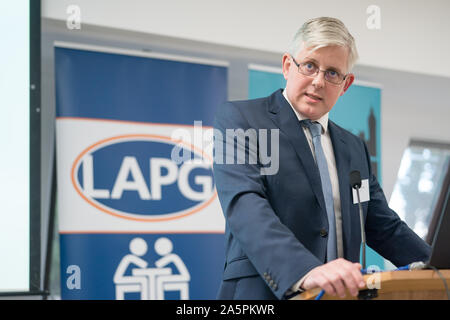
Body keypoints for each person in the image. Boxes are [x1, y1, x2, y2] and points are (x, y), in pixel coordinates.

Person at [213, 17, 431, 300]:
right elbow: (246, 206)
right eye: (310, 66)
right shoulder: (241, 120)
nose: (318, 81)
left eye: (332, 73)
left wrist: (436, 263)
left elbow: (382, 224)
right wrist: (306, 270)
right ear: (287, 66)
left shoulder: (354, 147)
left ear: (346, 84)